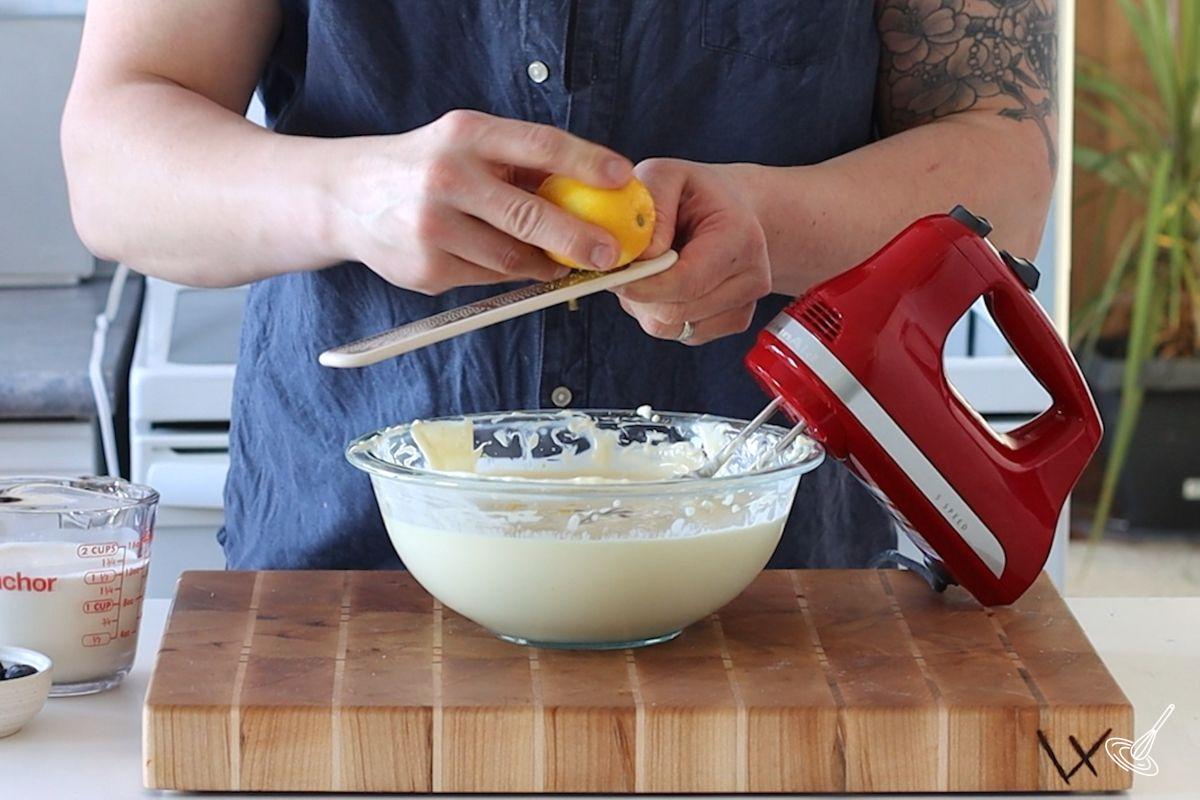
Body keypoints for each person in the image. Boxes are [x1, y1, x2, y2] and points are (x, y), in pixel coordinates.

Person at [61, 1, 1057, 571]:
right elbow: (111, 164)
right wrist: (350, 195)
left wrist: (770, 222)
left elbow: (1007, 168)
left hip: (771, 599)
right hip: (345, 591)